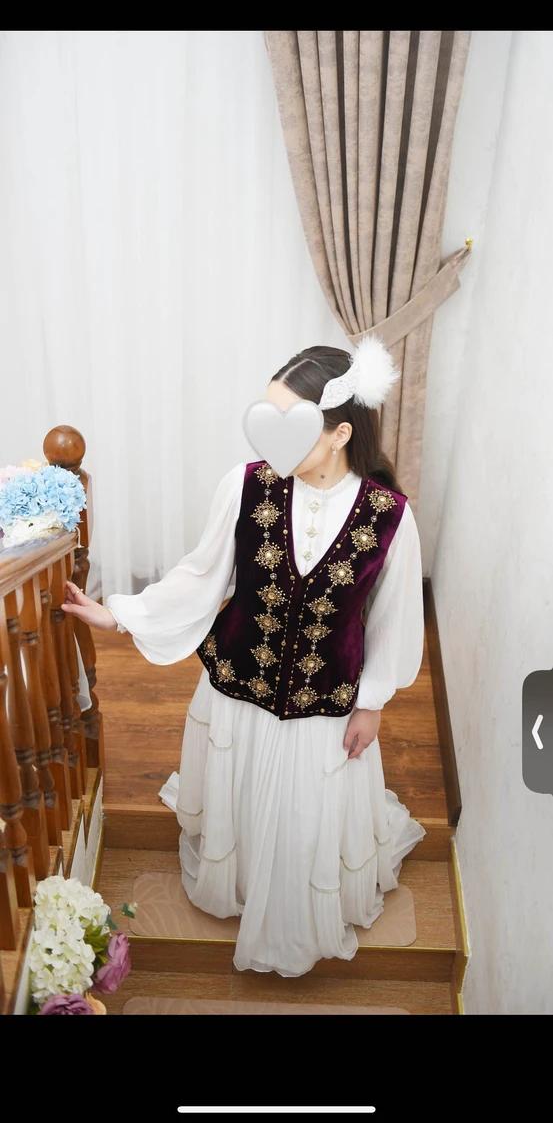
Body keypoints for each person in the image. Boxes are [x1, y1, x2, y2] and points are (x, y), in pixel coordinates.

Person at [62, 337, 427, 978]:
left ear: (339, 433)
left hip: (323, 701)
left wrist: (371, 704)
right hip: (239, 683)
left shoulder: (390, 517)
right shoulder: (245, 485)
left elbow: (395, 621)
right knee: (248, 801)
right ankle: (241, 881)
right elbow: (201, 576)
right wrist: (119, 613)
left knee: (303, 815)